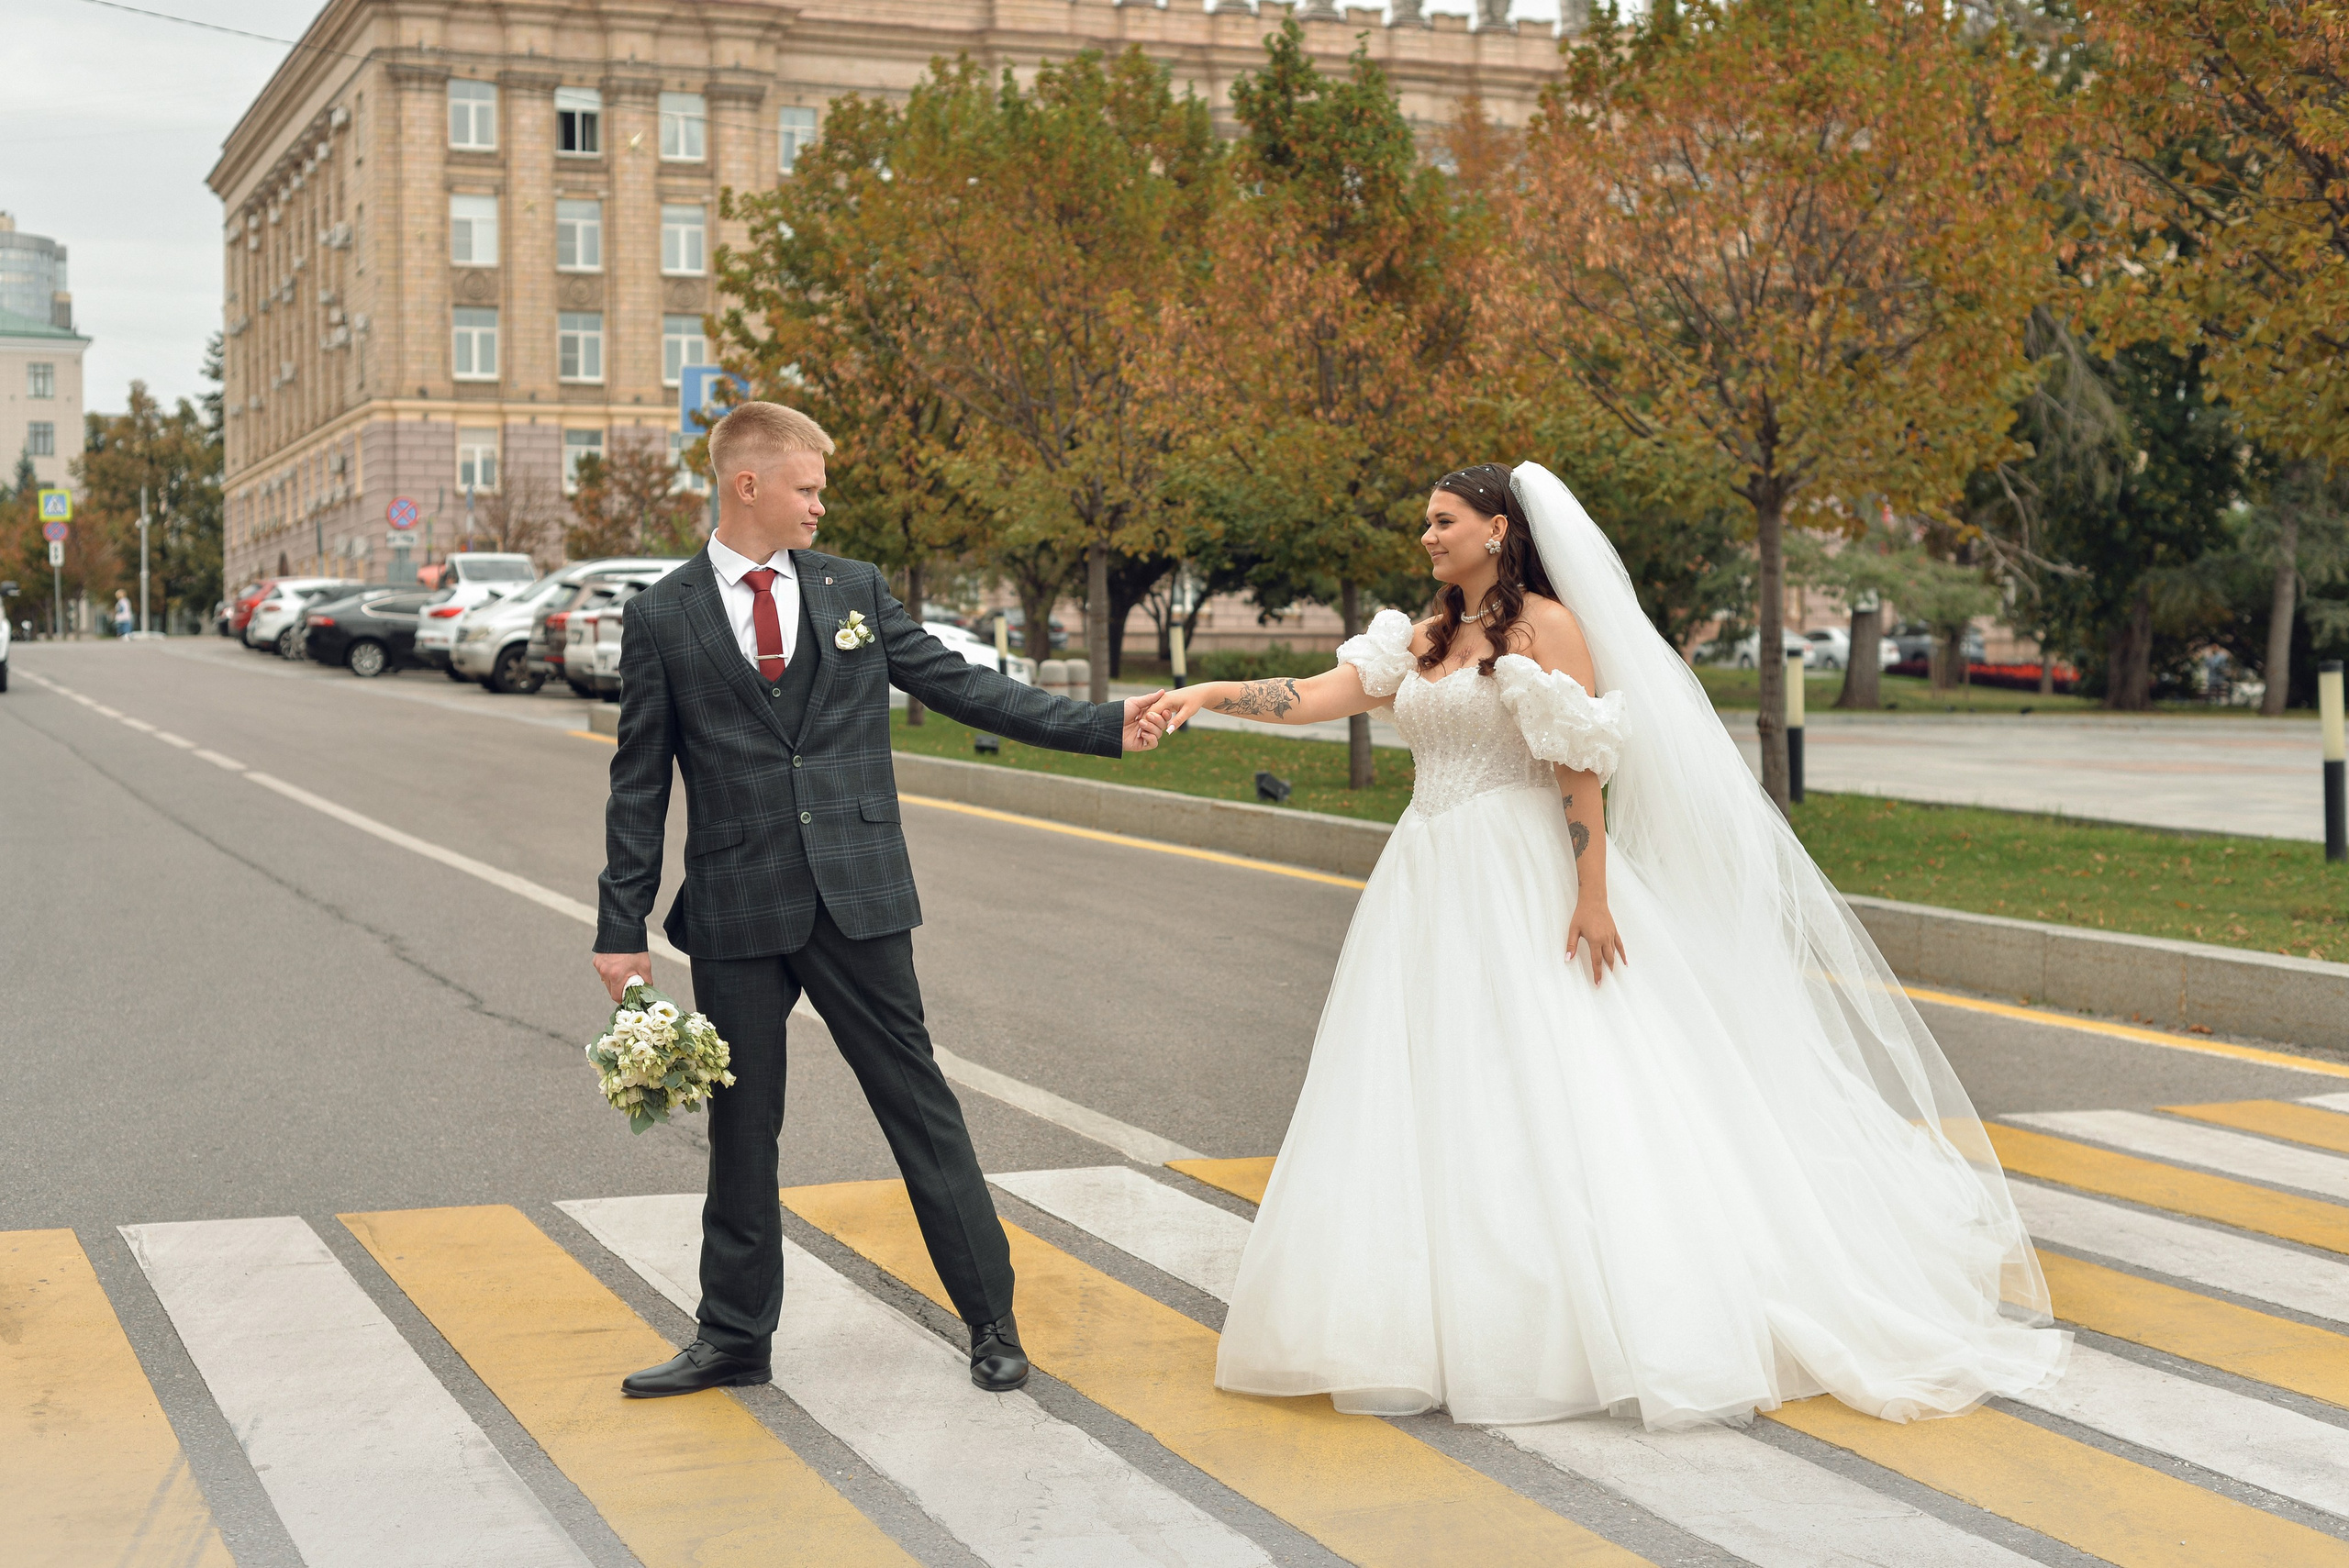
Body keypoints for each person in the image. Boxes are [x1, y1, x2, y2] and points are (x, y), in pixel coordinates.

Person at [1147, 462, 2067, 1429]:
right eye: (1425, 522)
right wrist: (1205, 689)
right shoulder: (1419, 636)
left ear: (1496, 528)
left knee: (1561, 1074)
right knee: (1432, 1081)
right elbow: (1313, 693)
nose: (1426, 535)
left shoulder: (1545, 627)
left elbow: (1578, 764)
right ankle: (1433, 1315)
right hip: (1425, 877)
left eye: (1442, 520)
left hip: (1520, 869)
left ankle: (1594, 1311)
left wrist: (1590, 894)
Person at [593, 401, 1168, 1399]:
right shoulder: (663, 613)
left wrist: (1105, 728)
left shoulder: (851, 588)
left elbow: (962, 686)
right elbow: (639, 778)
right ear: (749, 486)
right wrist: (620, 926)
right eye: (808, 487)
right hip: (736, 905)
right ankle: (733, 1335)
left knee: (919, 1108)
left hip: (859, 896)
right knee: (740, 1128)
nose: (821, 504)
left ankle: (992, 1321)